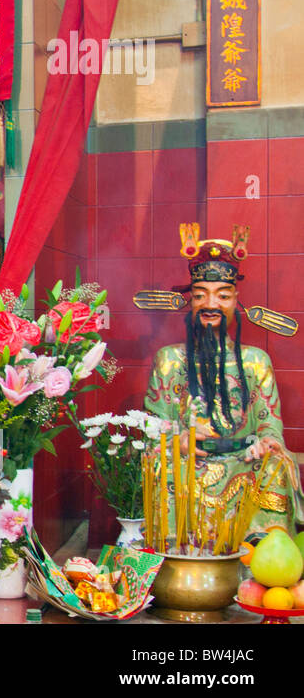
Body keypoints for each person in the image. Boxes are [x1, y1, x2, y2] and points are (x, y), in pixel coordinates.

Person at [140, 224, 302, 534]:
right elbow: (152, 428)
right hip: (188, 462)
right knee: (158, 467)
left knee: (278, 467)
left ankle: (259, 554)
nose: (211, 304)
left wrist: (268, 443)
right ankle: (178, 552)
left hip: (243, 461)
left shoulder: (256, 362)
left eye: (222, 296)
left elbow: (270, 424)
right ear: (191, 302)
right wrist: (178, 442)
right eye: (201, 296)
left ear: (236, 301)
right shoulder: (169, 360)